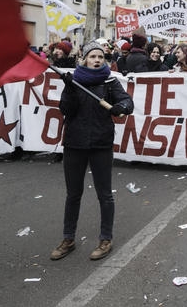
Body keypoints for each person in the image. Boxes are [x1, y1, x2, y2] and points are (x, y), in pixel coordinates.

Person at [51, 41, 134, 262]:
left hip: (100, 144)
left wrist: (121, 107)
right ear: (84, 59)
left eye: (100, 57)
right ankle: (68, 239)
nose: (96, 60)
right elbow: (65, 110)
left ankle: (105, 239)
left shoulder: (110, 82)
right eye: (92, 56)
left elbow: (127, 102)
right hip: (74, 144)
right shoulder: (74, 81)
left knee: (104, 195)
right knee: (73, 194)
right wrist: (69, 89)